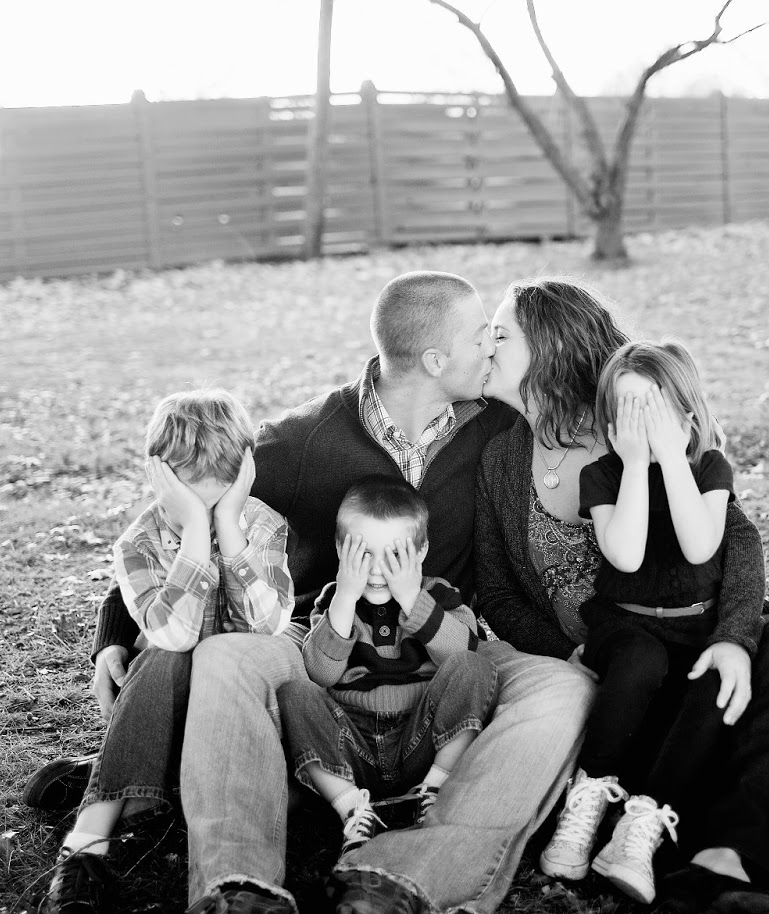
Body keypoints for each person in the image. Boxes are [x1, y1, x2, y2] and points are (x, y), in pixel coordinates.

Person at [68, 271, 592, 914]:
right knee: (225, 655)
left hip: (449, 644)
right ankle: (238, 885)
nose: (491, 346)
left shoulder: (498, 429)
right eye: (481, 334)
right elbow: (181, 514)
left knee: (564, 689)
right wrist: (115, 633)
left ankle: (403, 877)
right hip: (323, 645)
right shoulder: (305, 439)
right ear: (435, 360)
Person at [474, 279, 769, 914]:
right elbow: (499, 593)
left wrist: (734, 638)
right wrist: (571, 652)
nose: (486, 345)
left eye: (501, 335)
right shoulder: (502, 457)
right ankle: (723, 788)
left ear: (549, 348)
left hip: (698, 630)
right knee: (653, 691)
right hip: (618, 661)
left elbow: (736, 544)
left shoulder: (634, 423)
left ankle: (731, 857)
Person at [44, 390, 297, 914]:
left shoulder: (262, 525)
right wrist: (197, 540)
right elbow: (175, 636)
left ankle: (136, 785)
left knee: (220, 659)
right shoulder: (137, 545)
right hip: (169, 702)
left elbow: (266, 626)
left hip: (243, 713)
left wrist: (229, 531)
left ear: (242, 481)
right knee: (165, 654)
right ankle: (86, 845)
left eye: (217, 504)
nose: (202, 518)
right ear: (160, 482)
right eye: (187, 510)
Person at [535, 340, 735, 903]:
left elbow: (700, 547)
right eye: (627, 408)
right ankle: (587, 798)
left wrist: (670, 459)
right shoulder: (602, 475)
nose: (641, 421)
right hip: (624, 626)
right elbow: (624, 554)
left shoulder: (709, 468)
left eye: (653, 406)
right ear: (609, 421)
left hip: (694, 627)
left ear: (686, 411)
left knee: (712, 680)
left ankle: (641, 825)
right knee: (642, 659)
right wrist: (637, 467)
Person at [279, 478, 496, 863]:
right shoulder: (334, 602)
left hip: (423, 740)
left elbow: (462, 652)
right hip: (353, 746)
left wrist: (412, 598)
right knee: (295, 694)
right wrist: (345, 598)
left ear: (421, 550)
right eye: (364, 554)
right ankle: (352, 809)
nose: (378, 570)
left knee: (473, 667)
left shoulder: (439, 594)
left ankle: (434, 790)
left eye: (394, 555)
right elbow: (321, 674)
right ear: (340, 550)